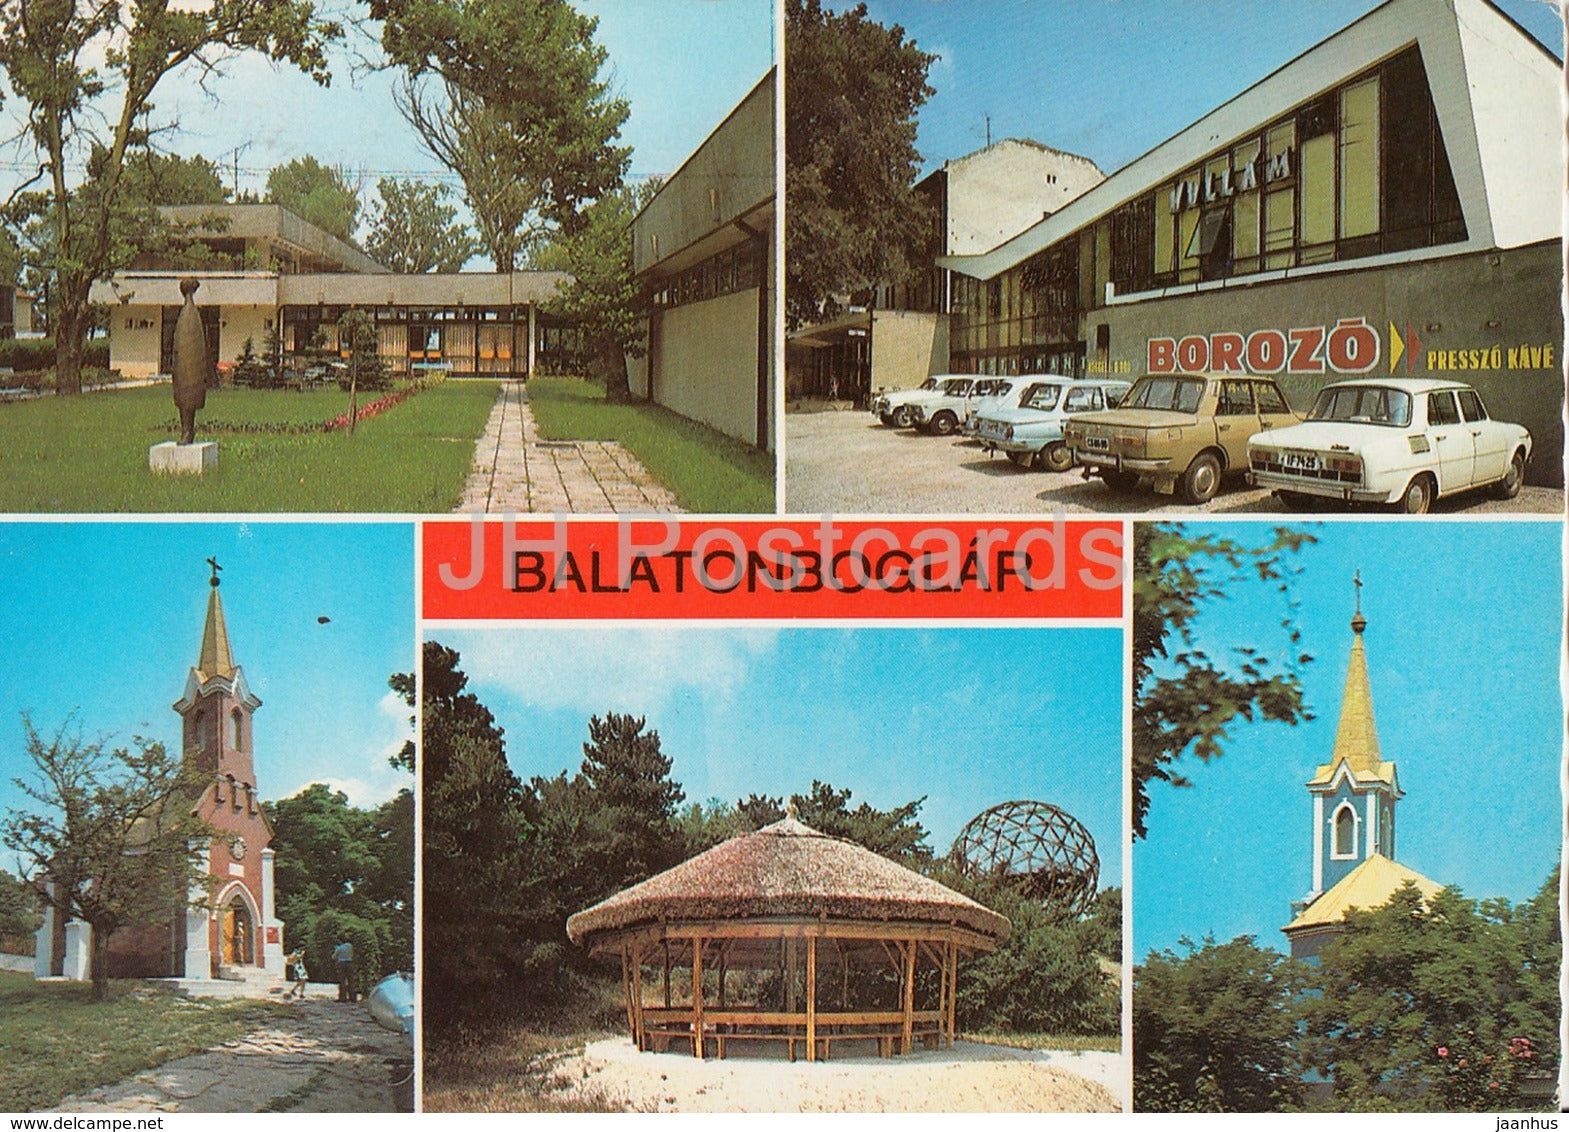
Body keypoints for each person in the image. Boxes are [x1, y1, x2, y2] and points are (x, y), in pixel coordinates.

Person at [333, 938, 356, 1003]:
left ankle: (343, 998)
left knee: (342, 981)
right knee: (351, 980)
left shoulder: (339, 948)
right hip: (350, 962)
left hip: (341, 963)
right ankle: (353, 997)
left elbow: (334, 957)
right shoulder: (350, 946)